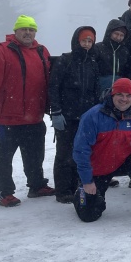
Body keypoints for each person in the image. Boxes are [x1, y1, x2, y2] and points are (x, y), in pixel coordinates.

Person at [0, 15, 54, 207]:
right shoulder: (2, 51)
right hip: (6, 119)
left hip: (34, 118)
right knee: (3, 159)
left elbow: (49, 81)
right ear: (15, 31)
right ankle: (3, 192)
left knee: (35, 156)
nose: (28, 33)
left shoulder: (41, 51)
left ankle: (36, 185)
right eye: (24, 29)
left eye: (31, 29)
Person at [72, 78, 131, 221]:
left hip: (122, 161)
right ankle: (81, 189)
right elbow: (81, 151)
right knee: (88, 215)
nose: (124, 99)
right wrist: (87, 180)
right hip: (98, 168)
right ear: (112, 94)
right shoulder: (93, 116)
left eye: (128, 96)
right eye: (120, 94)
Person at [48, 26, 101, 203]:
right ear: (77, 41)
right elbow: (54, 87)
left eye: (90, 41)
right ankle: (63, 190)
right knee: (64, 153)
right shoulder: (65, 60)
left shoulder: (92, 63)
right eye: (84, 40)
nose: (86, 44)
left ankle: (79, 184)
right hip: (66, 116)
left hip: (86, 118)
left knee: (83, 152)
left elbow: (95, 91)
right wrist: (55, 111)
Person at [94, 19, 130, 95]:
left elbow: (127, 72)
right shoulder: (98, 48)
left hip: (118, 91)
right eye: (116, 34)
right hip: (100, 88)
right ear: (110, 33)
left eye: (121, 35)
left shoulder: (125, 51)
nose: (118, 37)